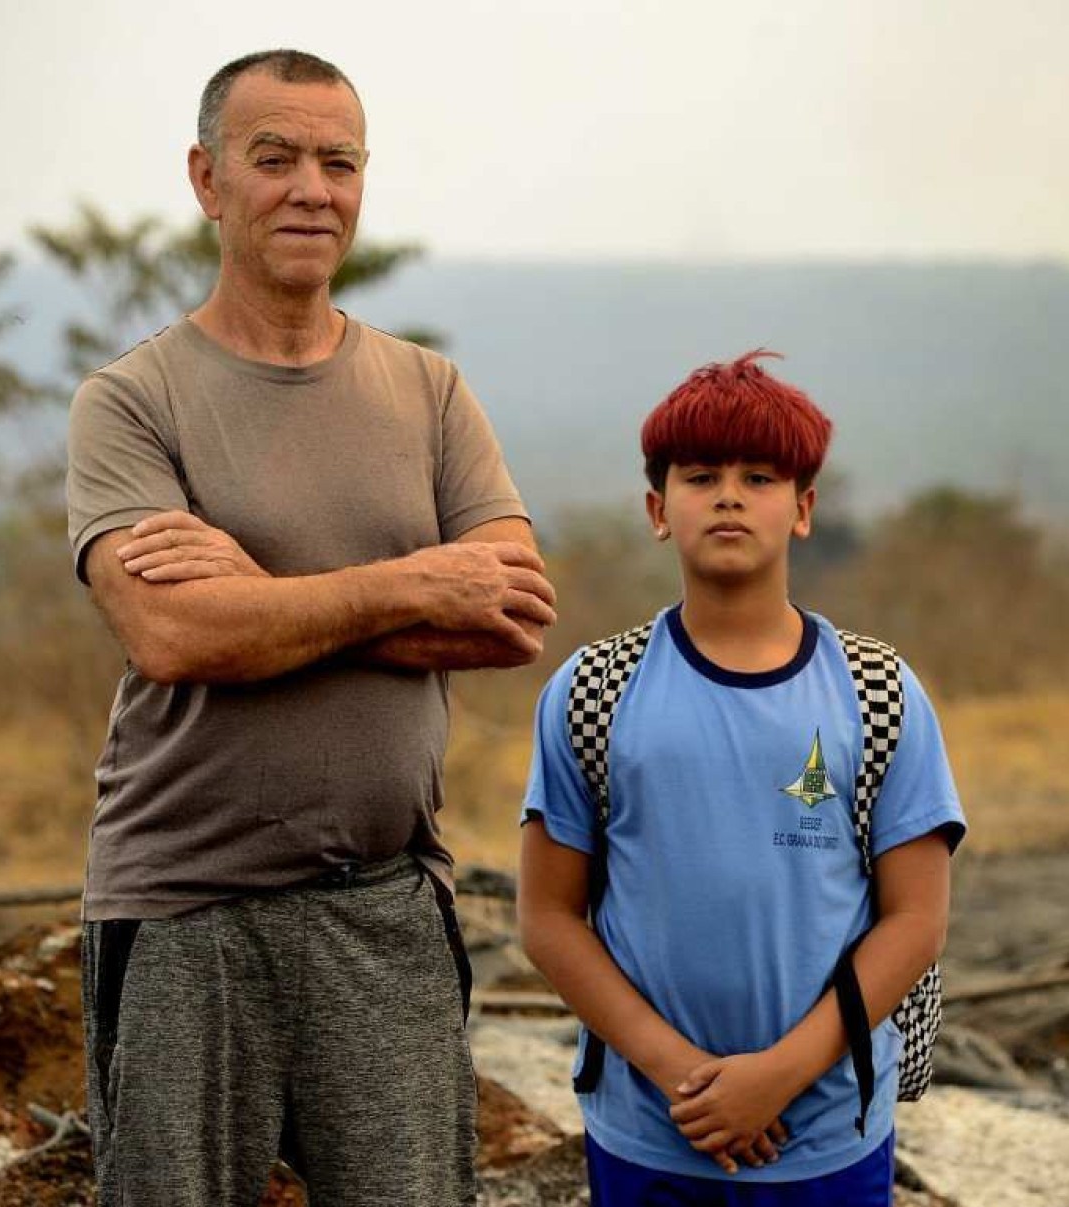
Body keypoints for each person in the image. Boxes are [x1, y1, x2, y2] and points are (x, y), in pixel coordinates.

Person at [64, 48, 555, 1207]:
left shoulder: (427, 389)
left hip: (385, 904)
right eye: (272, 157)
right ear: (207, 178)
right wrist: (416, 583)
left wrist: (261, 586)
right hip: (187, 908)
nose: (310, 189)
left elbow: (514, 614)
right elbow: (176, 639)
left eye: (339, 163)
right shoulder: (131, 401)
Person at [518, 351, 964, 1204]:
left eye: (759, 476)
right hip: (649, 1131)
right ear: (657, 510)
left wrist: (779, 1076)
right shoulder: (592, 691)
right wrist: (684, 1075)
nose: (728, 494)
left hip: (827, 1134)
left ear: (803, 509)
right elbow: (546, 916)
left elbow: (916, 919)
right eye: (700, 475)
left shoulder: (878, 691)